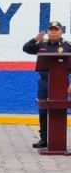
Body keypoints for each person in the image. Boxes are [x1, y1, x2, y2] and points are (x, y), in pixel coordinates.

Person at [22, 21, 71, 149]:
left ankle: (59, 140)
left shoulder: (67, 46)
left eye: (56, 30)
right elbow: (26, 49)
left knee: (60, 109)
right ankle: (44, 139)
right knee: (43, 110)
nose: (53, 32)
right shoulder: (42, 44)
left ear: (61, 31)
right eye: (51, 30)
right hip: (44, 82)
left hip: (61, 84)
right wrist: (34, 39)